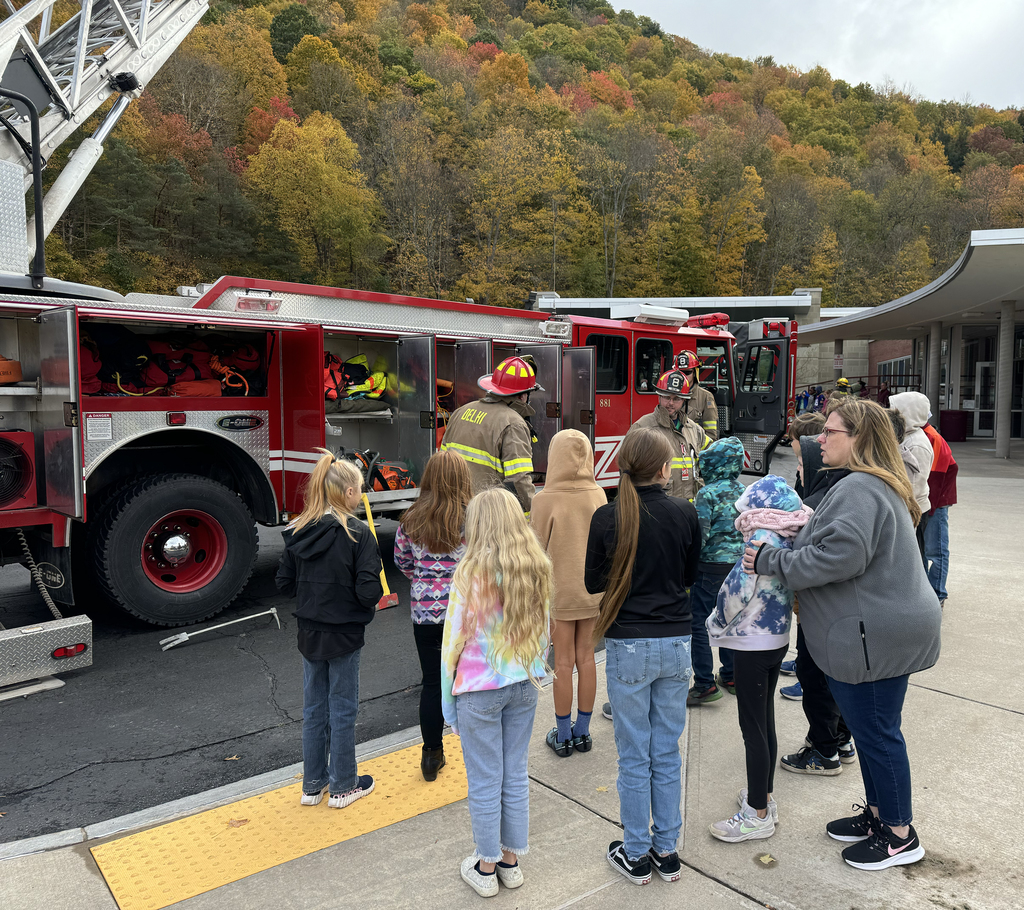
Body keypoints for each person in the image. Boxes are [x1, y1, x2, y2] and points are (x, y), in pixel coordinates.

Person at [744, 397, 941, 871]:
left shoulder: (860, 488)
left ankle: (898, 835)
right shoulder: (867, 484)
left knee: (877, 734)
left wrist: (771, 560)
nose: (820, 439)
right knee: (875, 732)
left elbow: (840, 557)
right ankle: (879, 817)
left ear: (859, 439)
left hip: (876, 636)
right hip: (882, 630)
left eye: (831, 432)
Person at [585, 426, 701, 886]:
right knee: (666, 750)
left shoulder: (606, 517)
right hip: (675, 640)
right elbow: (689, 575)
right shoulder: (684, 513)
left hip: (627, 643)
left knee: (633, 755)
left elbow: (594, 583)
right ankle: (666, 850)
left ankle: (635, 852)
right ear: (663, 469)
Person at [441, 488, 552, 898]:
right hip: (524, 682)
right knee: (514, 773)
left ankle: (485, 868)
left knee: (485, 779)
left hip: (480, 688)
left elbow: (452, 644)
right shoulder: (536, 565)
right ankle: (511, 862)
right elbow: (542, 631)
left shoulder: (469, 572)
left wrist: (447, 706)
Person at [706, 476, 810, 842]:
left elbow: (735, 592)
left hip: (751, 643)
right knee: (765, 722)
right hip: (778, 638)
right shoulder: (788, 535)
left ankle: (756, 815)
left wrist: (714, 621)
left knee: (753, 729)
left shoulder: (760, 540)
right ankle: (762, 795)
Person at [276, 450, 382, 809]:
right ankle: (343, 785)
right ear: (350, 493)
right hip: (345, 633)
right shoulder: (359, 534)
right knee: (342, 708)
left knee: (314, 708)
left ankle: (312, 785)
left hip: (309, 630)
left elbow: (283, 583)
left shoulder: (297, 531)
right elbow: (370, 592)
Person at [394, 450, 471, 782]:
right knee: (467, 682)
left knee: (431, 682)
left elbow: (402, 561)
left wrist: (425, 582)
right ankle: (474, 748)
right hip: (465, 613)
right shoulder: (472, 518)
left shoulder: (411, 519)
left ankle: (431, 754)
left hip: (425, 614)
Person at [530, 430, 607, 757]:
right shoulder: (599, 495)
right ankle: (584, 732)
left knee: (562, 663)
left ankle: (562, 735)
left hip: (559, 595)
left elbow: (535, 552)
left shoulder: (543, 499)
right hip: (592, 592)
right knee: (586, 659)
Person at [441, 356, 542, 514]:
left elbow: (442, 461)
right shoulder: (514, 423)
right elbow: (518, 480)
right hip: (487, 515)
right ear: (523, 396)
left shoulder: (461, 411)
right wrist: (529, 518)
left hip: (452, 510)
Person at [687, 436, 746, 706]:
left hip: (709, 569)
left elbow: (700, 536)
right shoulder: (744, 490)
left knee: (699, 623)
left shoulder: (706, 493)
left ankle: (704, 684)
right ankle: (732, 675)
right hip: (737, 567)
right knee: (730, 618)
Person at [632, 369, 711, 501]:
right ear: (659, 396)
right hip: (659, 507)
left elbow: (711, 457)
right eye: (666, 397)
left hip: (689, 507)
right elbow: (627, 470)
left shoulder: (694, 429)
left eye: (676, 399)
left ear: (684, 400)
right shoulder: (642, 427)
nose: (670, 403)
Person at [888, 392, 933, 564]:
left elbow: (913, 487)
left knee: (912, 561)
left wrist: (905, 519)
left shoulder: (917, 444)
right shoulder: (906, 437)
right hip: (905, 511)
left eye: (896, 410)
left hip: (913, 512)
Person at [921, 422, 958, 606]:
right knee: (925, 549)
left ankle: (937, 594)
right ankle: (928, 591)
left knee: (936, 550)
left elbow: (938, 475)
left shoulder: (932, 437)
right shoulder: (921, 434)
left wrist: (931, 506)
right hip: (927, 501)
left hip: (935, 502)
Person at [675, 350, 718, 439]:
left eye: (687, 373)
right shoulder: (670, 395)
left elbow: (711, 433)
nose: (684, 376)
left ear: (695, 373)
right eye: (680, 372)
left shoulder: (706, 397)